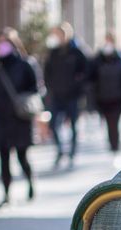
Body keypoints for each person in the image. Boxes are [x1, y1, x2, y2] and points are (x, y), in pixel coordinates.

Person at [0, 28, 40, 207]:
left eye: (5, 42)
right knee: (3, 158)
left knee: (22, 156)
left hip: (20, 118)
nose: (2, 46)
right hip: (0, 119)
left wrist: (22, 101)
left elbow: (35, 88)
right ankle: (6, 194)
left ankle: (31, 182)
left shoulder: (25, 64)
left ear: (13, 43)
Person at [43, 22, 87, 168]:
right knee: (53, 124)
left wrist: (78, 88)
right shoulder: (53, 53)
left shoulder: (76, 52)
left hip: (72, 96)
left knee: (73, 125)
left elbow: (85, 72)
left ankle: (72, 153)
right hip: (57, 95)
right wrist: (51, 88)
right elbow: (47, 72)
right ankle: (60, 150)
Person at [89, 33, 121, 152]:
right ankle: (113, 144)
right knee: (109, 123)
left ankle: (115, 145)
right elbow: (91, 80)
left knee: (114, 123)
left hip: (117, 99)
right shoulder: (97, 61)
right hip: (102, 99)